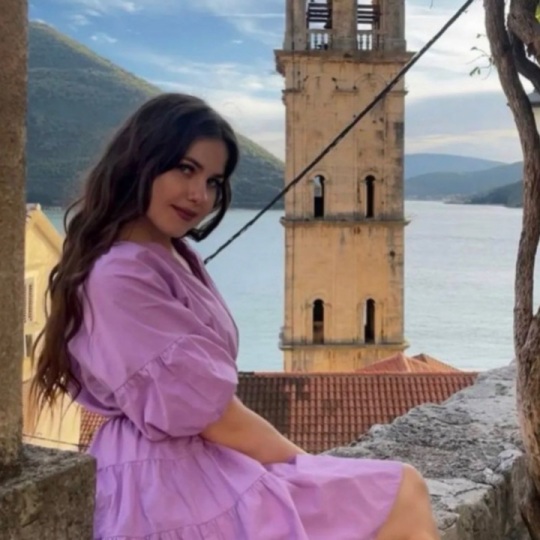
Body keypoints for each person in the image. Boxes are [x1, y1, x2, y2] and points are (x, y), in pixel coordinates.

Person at [31, 93, 440, 540]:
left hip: (189, 464)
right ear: (140, 161)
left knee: (401, 491)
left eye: (213, 181)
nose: (199, 195)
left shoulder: (171, 254)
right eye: (185, 169)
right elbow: (213, 415)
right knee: (401, 492)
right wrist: (308, 464)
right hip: (165, 481)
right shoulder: (122, 274)